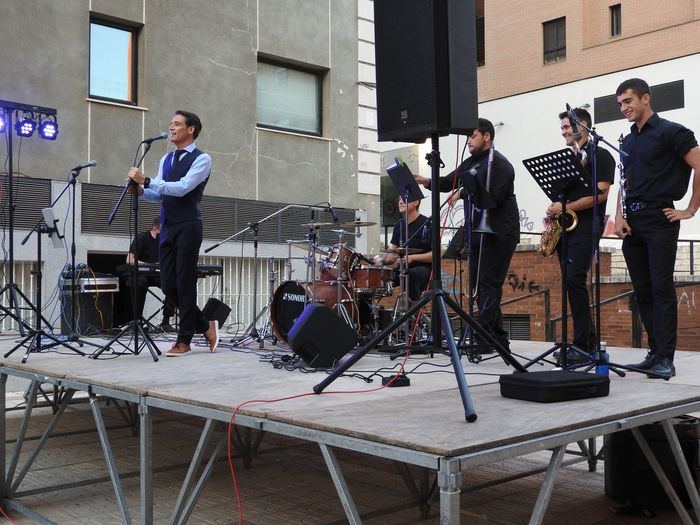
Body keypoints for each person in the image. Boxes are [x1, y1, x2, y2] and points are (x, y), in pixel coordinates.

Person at [614, 78, 700, 379]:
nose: (624, 108)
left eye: (628, 101)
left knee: (661, 288)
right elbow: (623, 182)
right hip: (632, 223)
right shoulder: (628, 140)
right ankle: (654, 353)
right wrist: (618, 216)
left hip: (660, 219)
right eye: (620, 104)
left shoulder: (672, 132)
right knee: (642, 291)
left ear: (646, 98)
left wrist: (689, 209)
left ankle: (666, 358)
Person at [414, 118, 519, 352]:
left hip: (500, 232)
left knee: (488, 285)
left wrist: (464, 190)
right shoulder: (472, 161)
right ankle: (497, 340)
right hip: (478, 232)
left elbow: (493, 199)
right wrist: (427, 181)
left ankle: (484, 339)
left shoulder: (500, 164)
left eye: (472, 136)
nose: (469, 141)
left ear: (487, 136)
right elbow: (449, 181)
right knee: (480, 287)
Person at [127, 110, 219, 356]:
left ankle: (184, 340)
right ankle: (204, 324)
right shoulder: (166, 159)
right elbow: (161, 193)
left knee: (184, 282)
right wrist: (141, 191)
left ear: (191, 129)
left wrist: (146, 181)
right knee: (168, 284)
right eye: (171, 123)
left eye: (177, 124)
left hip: (188, 225)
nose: (171, 128)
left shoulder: (202, 159)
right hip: (167, 226)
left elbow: (182, 188)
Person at [547, 108, 615, 363]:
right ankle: (587, 341)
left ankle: (583, 344)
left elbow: (601, 194)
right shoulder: (569, 158)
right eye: (562, 128)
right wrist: (556, 206)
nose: (563, 132)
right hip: (567, 226)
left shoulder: (602, 155)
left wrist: (565, 207)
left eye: (566, 127)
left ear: (582, 125)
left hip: (587, 225)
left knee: (575, 280)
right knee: (570, 283)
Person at [374, 196, 432, 301]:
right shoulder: (398, 226)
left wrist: (413, 258)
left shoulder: (427, 224)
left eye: (404, 199)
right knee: (376, 277)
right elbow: (393, 256)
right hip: (402, 268)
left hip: (423, 269)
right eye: (399, 199)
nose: (400, 202)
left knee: (409, 274)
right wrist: (381, 261)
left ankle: (414, 311)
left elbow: (437, 254)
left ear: (415, 202)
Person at [125, 217, 177, 332]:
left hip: (156, 274)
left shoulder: (164, 241)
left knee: (173, 285)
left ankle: (165, 322)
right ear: (156, 227)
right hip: (141, 273)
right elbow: (129, 260)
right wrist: (148, 264)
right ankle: (137, 321)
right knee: (140, 282)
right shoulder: (142, 238)